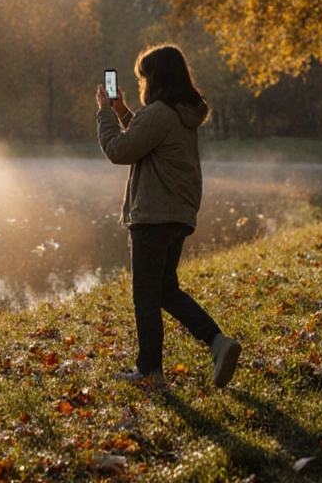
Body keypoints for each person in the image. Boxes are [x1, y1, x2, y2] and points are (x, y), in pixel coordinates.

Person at [95, 43, 241, 388]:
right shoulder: (179, 114)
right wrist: (123, 112)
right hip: (177, 215)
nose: (142, 84)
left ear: (155, 79)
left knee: (145, 293)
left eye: (143, 77)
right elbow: (147, 137)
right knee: (164, 289)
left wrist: (103, 112)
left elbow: (119, 150)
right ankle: (219, 343)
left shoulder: (158, 113)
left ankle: (149, 372)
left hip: (153, 216)